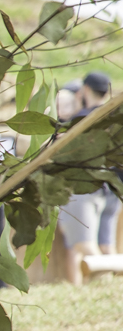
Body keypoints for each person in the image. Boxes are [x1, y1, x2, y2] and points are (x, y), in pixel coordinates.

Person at [57, 72, 118, 283]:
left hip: (84, 187)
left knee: (84, 245)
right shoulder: (114, 119)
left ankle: (107, 287)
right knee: (106, 245)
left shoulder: (82, 120)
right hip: (110, 188)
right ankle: (111, 288)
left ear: (84, 90)